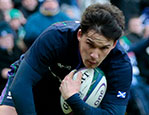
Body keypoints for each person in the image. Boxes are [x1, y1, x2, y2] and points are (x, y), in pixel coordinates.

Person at [0, 3, 132, 115]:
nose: (94, 55)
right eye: (90, 44)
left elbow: (113, 113)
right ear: (80, 34)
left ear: (114, 44)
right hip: (34, 86)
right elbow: (21, 85)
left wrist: (73, 99)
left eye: (104, 48)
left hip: (73, 104)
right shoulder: (56, 36)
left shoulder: (120, 65)